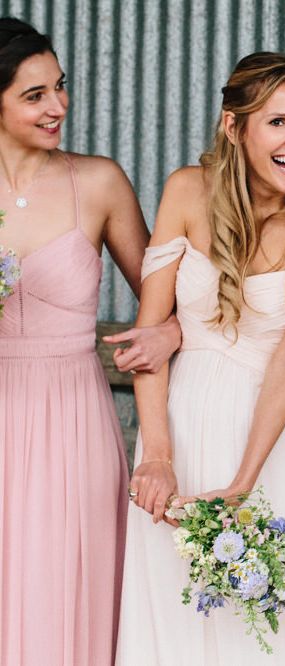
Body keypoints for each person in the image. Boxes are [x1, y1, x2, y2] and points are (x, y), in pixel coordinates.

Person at [115, 52, 285, 665]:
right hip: (177, 426)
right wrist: (158, 458)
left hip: (268, 438)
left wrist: (242, 486)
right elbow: (150, 335)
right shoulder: (186, 190)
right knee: (172, 619)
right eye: (278, 122)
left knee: (265, 629)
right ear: (233, 126)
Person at [0, 17, 179, 666]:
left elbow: (175, 302)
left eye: (60, 87)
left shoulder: (99, 181)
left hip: (72, 422)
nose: (59, 106)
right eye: (35, 95)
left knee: (65, 588)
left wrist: (169, 330)